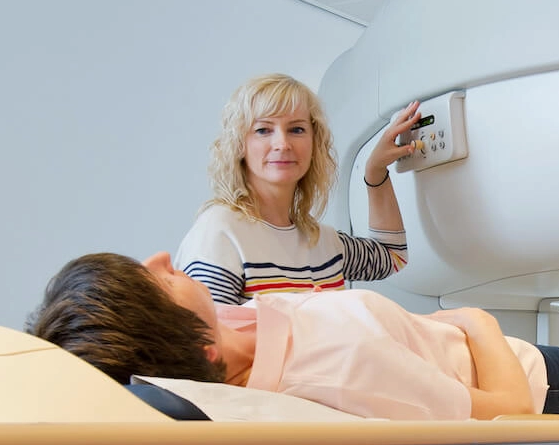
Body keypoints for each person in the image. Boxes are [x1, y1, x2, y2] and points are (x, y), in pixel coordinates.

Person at [27, 252, 559, 421]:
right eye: (156, 280)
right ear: (199, 351)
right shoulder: (332, 372)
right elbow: (508, 417)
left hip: (478, 350)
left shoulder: (227, 332)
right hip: (539, 379)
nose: (160, 258)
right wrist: (481, 322)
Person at [175, 73, 419, 305]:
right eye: (263, 130)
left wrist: (374, 171)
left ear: (314, 142)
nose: (282, 143)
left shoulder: (322, 242)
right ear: (240, 145)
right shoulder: (220, 232)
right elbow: (208, 341)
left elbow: (392, 256)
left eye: (297, 129)